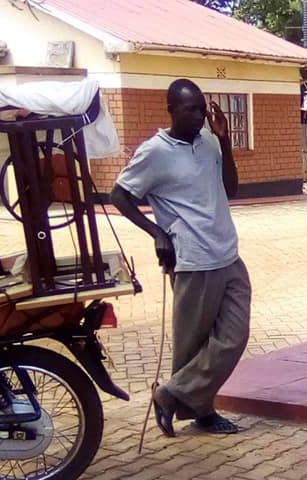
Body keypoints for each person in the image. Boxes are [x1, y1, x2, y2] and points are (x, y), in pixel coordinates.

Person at [110, 79, 249, 437]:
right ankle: (202, 412)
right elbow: (119, 195)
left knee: (233, 336)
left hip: (227, 253)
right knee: (192, 345)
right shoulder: (155, 152)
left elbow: (230, 189)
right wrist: (156, 232)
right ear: (171, 110)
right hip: (192, 259)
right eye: (191, 109)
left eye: (202, 108)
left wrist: (225, 142)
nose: (199, 115)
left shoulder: (209, 141)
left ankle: (170, 394)